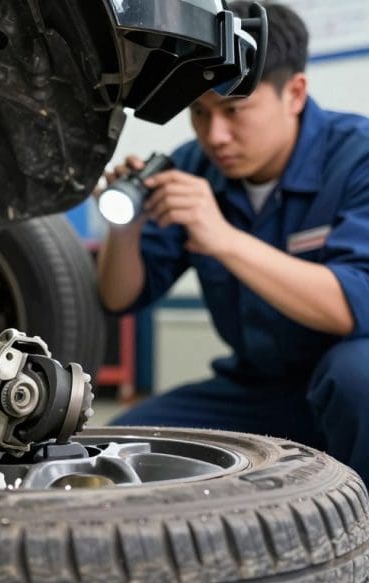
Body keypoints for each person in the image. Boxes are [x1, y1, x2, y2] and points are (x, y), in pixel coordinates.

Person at [97, 2, 369, 483]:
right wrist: (125, 227)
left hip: (347, 381)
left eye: (235, 111)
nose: (215, 135)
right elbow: (119, 297)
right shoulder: (190, 167)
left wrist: (221, 237)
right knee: (119, 449)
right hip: (257, 390)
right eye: (199, 113)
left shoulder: (357, 158)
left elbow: (353, 305)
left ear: (295, 94)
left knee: (357, 378)